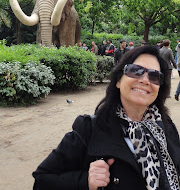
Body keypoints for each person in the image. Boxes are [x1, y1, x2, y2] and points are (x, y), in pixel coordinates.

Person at [32, 45, 180, 190]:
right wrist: (85, 181)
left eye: (154, 76)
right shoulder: (88, 129)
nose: (145, 80)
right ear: (118, 81)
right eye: (135, 71)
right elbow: (42, 179)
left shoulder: (165, 127)